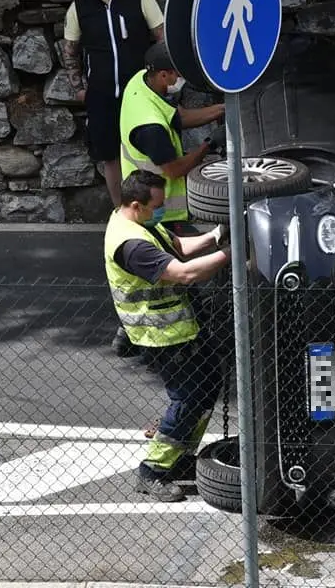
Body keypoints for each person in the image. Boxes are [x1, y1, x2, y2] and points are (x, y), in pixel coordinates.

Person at [104, 170, 231, 502]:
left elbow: (177, 247)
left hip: (181, 330)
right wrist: (233, 255)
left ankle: (178, 458)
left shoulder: (139, 223)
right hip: (161, 336)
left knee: (207, 390)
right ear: (136, 204)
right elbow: (184, 273)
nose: (161, 211)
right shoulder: (130, 244)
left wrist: (219, 235)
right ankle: (153, 470)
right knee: (187, 398)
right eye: (157, 206)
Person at [61, 0, 166, 208]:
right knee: (110, 156)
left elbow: (162, 40)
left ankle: (152, 211)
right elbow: (70, 51)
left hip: (141, 94)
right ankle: (121, 211)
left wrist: (160, 83)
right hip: (102, 94)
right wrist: (79, 87)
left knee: (148, 153)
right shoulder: (79, 8)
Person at [120, 42, 226, 233]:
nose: (180, 77)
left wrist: (223, 110)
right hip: (157, 211)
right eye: (176, 73)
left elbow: (180, 117)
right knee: (185, 258)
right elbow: (175, 169)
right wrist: (209, 144)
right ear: (163, 75)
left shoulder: (141, 81)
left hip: (146, 200)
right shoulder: (151, 127)